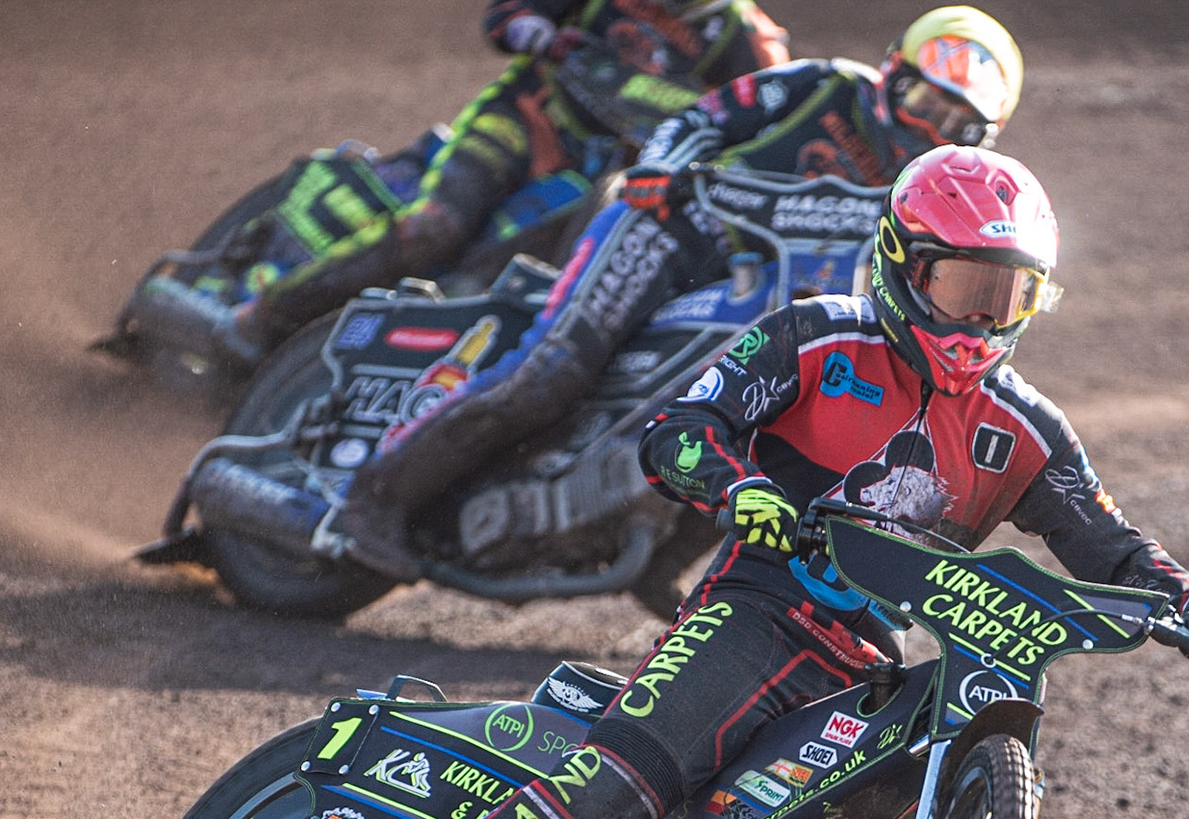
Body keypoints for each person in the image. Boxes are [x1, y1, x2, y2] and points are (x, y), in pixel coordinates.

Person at [273, 147, 1189, 819]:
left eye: (1006, 299)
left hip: (869, 669)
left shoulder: (1027, 432)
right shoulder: (816, 339)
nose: (976, 321)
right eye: (961, 287)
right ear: (898, 261)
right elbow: (679, 429)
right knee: (615, 788)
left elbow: (1114, 545)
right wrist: (737, 483)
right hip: (753, 614)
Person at [314, 6, 1027, 582]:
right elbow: (703, 118)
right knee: (551, 371)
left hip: (757, 290)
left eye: (956, 121)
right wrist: (659, 166)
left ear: (981, 136)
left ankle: (671, 561)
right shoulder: (825, 85)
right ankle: (369, 499)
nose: (930, 124)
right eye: (926, 98)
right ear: (894, 71)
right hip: (667, 228)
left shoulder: (927, 191)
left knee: (779, 419)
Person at [223, 0, 792, 361]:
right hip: (528, 118)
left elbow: (754, 127)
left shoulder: (743, 39)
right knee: (436, 226)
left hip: (616, 176)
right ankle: (265, 313)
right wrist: (540, 35)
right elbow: (506, 15)